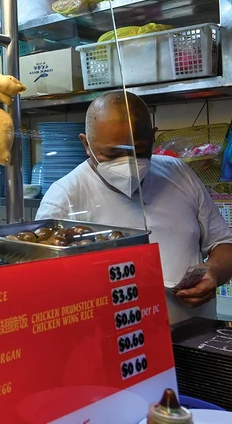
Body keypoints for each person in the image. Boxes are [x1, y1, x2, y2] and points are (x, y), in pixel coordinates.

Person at [36, 91, 232, 324]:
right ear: (86, 144)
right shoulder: (64, 197)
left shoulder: (179, 173)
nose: (128, 164)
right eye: (112, 153)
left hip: (193, 336)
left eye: (139, 152)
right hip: (117, 345)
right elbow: (46, 288)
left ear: (153, 137)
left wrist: (214, 272)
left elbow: (224, 244)